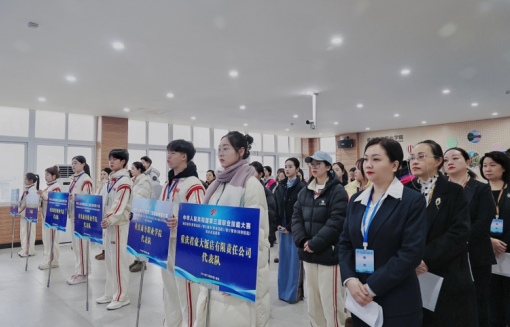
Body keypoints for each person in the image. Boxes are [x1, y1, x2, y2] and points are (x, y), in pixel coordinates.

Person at [339, 137, 427, 327]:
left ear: (394, 164)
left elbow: (411, 253)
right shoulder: (356, 200)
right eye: (366, 159)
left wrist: (372, 287)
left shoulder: (412, 200)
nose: (368, 164)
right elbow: (345, 244)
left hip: (396, 299)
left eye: (376, 159)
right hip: (359, 298)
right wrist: (350, 279)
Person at [194, 132, 270, 327]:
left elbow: (257, 234)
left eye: (226, 148)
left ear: (241, 151)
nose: (220, 153)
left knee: (234, 317)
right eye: (219, 149)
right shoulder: (218, 183)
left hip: (235, 271)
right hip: (213, 264)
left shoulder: (250, 184)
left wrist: (235, 274)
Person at [406, 140, 477, 327]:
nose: (415, 161)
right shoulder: (405, 191)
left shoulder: (453, 191)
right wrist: (410, 259)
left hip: (445, 269)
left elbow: (459, 232)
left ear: (438, 161)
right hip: (410, 270)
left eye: (421, 157)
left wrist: (425, 258)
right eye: (412, 157)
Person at [292, 151, 349, 327]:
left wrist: (314, 244)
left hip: (328, 255)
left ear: (328, 167)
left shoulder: (337, 191)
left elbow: (336, 222)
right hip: (308, 254)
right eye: (312, 164)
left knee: (331, 302)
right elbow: (296, 217)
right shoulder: (305, 191)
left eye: (318, 163)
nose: (314, 167)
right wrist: (302, 241)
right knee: (313, 303)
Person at [444, 147, 496, 327]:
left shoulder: (480, 188)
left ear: (467, 163)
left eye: (455, 158)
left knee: (478, 300)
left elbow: (483, 221)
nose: (449, 162)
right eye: (445, 159)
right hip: (447, 256)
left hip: (475, 253)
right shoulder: (441, 190)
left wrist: (458, 241)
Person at [161, 140, 205, 327]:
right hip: (166, 242)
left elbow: (199, 217)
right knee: (170, 289)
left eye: (173, 153)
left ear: (184, 156)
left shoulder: (193, 184)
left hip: (185, 246)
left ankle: (190, 323)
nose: (168, 156)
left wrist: (179, 222)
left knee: (187, 290)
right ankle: (173, 322)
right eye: (168, 152)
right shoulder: (169, 183)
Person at [96, 149, 133, 310]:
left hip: (119, 225)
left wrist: (109, 218)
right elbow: (106, 201)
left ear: (123, 161)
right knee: (110, 262)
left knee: (119, 262)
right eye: (110, 159)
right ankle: (111, 292)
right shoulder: (112, 180)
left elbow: (119, 204)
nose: (111, 162)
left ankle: (121, 296)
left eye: (115, 159)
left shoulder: (124, 181)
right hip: (110, 224)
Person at [480, 151, 510, 326]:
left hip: (507, 250)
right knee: (491, 297)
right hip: (486, 250)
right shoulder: (479, 190)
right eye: (484, 165)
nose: (487, 169)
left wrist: (503, 244)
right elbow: (471, 221)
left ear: (504, 167)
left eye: (492, 165)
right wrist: (489, 241)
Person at [274, 157, 306, 304]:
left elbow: (301, 212)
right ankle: (283, 293)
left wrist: (289, 227)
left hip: (295, 230)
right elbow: (276, 207)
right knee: (284, 263)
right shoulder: (280, 186)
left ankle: (294, 294)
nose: (287, 169)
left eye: (291, 166)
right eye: (286, 166)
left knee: (294, 264)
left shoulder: (302, 187)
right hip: (282, 228)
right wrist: (278, 224)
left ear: (297, 169)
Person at [67, 156, 94, 285]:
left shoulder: (86, 180)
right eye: (72, 163)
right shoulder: (74, 179)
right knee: (77, 247)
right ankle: (79, 270)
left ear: (83, 164)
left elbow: (88, 199)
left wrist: (75, 198)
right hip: (74, 216)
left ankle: (83, 273)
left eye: (76, 163)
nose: (73, 165)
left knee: (82, 246)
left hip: (82, 218)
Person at [129, 161, 153, 273]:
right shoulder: (134, 181)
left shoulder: (145, 181)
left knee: (142, 239)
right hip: (134, 213)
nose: (131, 170)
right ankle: (137, 260)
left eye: (133, 168)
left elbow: (141, 198)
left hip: (142, 214)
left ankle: (143, 262)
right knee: (136, 239)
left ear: (139, 170)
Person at [37, 166, 62, 269]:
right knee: (47, 239)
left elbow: (54, 201)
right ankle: (48, 259)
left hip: (52, 218)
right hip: (46, 217)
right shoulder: (49, 187)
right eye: (45, 175)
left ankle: (53, 261)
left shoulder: (56, 187)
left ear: (54, 176)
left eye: (47, 175)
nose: (45, 177)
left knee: (51, 239)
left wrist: (43, 194)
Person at [250, 161, 277, 247]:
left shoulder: (266, 192)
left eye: (252, 172)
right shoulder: (244, 190)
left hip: (261, 232)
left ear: (260, 174)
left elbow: (271, 214)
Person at [17, 172, 40, 257]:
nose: (24, 181)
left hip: (28, 215)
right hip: (24, 215)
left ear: (31, 180)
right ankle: (24, 249)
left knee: (28, 233)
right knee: (24, 233)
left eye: (26, 179)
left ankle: (28, 251)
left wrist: (19, 211)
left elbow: (27, 204)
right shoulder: (28, 189)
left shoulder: (32, 190)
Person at [95, 167, 112, 260]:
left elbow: (105, 199)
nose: (102, 176)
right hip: (99, 211)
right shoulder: (101, 185)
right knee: (101, 234)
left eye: (104, 174)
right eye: (101, 174)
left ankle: (106, 252)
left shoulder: (108, 185)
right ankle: (102, 251)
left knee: (105, 234)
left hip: (105, 212)